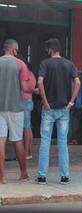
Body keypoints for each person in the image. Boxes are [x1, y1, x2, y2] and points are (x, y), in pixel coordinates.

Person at [36, 38, 81, 185]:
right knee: (63, 143)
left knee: (45, 142)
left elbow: (40, 81)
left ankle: (42, 176)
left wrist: (45, 100)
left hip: (49, 108)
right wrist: (71, 102)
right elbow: (78, 82)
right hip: (63, 109)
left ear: (50, 49)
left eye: (47, 49)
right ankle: (64, 176)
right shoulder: (69, 64)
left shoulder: (45, 63)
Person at [0, 39, 36, 184]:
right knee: (17, 140)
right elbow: (25, 87)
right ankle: (24, 173)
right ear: (14, 50)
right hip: (16, 108)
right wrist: (37, 90)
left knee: (0, 140)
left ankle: (2, 176)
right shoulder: (20, 64)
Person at [22, 63, 38, 160]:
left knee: (26, 127)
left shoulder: (26, 73)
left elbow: (27, 88)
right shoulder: (31, 74)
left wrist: (34, 91)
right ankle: (29, 152)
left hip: (24, 101)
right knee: (28, 127)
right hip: (28, 101)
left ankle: (26, 153)